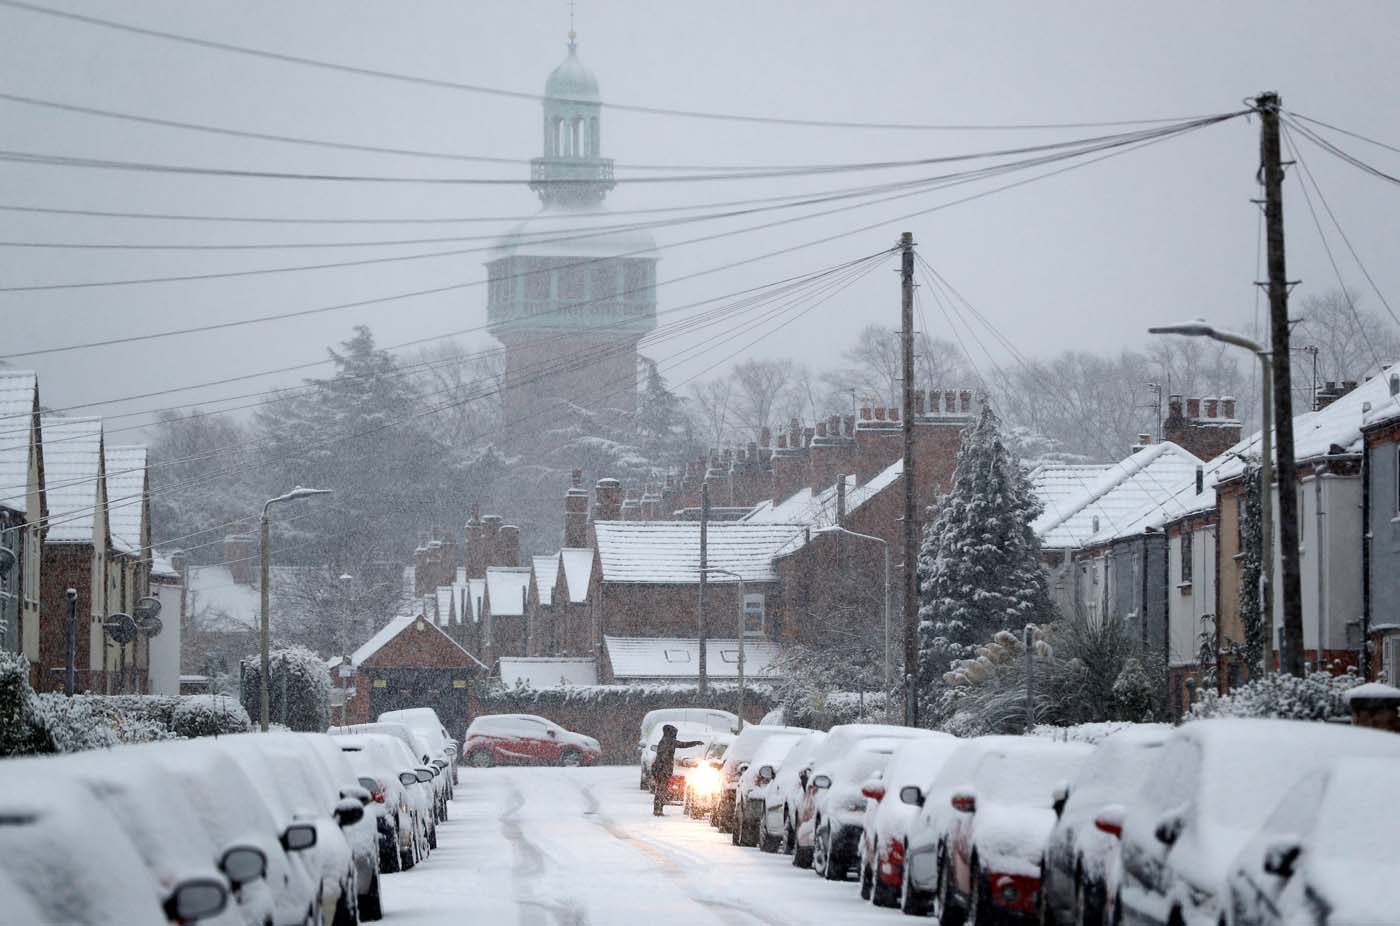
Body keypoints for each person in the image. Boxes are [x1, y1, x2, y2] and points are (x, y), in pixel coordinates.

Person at [651, 724, 703, 816]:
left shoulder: (663, 741)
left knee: (660, 789)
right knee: (661, 790)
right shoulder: (669, 741)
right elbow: (683, 744)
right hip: (662, 770)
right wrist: (695, 743)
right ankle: (658, 810)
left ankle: (658, 809)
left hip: (660, 769)